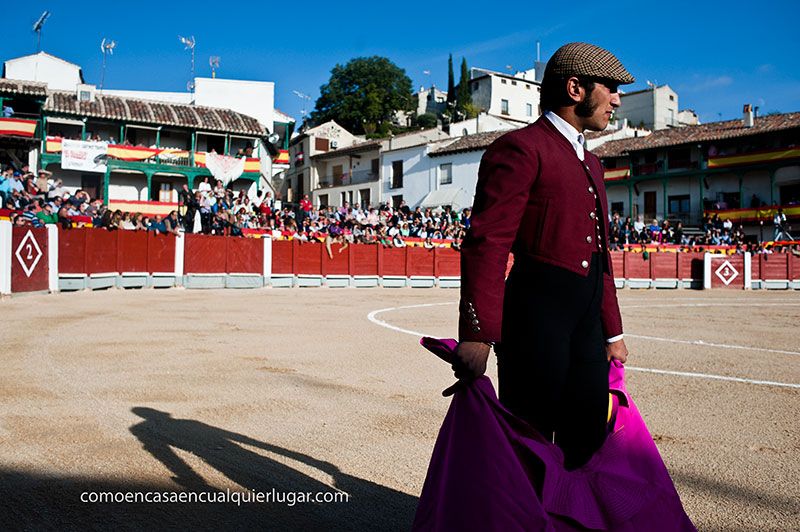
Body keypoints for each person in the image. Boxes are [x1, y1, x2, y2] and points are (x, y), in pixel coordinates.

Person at [452, 42, 632, 470]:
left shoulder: (592, 163)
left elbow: (599, 256)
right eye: (610, 87)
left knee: (586, 440)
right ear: (575, 88)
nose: (618, 99)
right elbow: (488, 242)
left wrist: (612, 332)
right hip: (535, 322)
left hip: (585, 325)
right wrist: (478, 334)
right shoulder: (520, 148)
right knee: (529, 444)